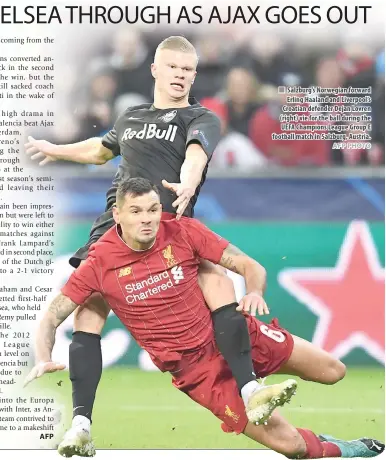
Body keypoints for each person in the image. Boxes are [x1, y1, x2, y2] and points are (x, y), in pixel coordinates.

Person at [25, 35, 278, 445]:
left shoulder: (201, 118)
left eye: (187, 69)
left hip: (170, 230)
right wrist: (55, 149)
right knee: (89, 314)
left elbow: (197, 155)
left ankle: (251, 389)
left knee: (219, 285)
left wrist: (188, 181)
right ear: (156, 70)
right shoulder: (131, 115)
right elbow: (101, 150)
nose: (180, 76)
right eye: (173, 68)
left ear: (194, 75)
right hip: (114, 225)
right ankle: (81, 426)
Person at [25, 178, 384, 459]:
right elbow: (52, 317)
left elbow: (248, 265)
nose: (147, 219)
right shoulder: (99, 263)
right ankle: (345, 448)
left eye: (152, 209)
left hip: (234, 335)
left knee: (334, 372)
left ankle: (253, 387)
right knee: (292, 447)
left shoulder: (181, 231)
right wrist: (43, 357)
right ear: (117, 216)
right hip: (197, 372)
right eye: (136, 212)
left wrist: (255, 291)